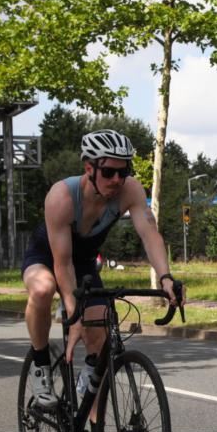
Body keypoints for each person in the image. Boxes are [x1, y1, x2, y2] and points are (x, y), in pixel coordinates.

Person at [21, 129, 184, 410]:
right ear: (89, 168)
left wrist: (165, 277)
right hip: (48, 257)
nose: (117, 180)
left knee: (98, 340)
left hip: (83, 263)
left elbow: (149, 233)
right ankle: (40, 365)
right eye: (109, 172)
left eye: (123, 172)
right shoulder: (62, 197)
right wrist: (73, 316)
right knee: (43, 288)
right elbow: (62, 263)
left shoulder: (130, 190)